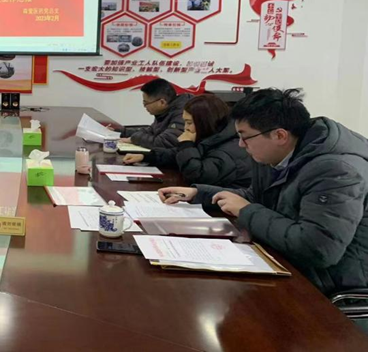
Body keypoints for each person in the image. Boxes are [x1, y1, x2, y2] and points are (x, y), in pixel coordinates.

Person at [158, 89, 368, 295]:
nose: (241, 145)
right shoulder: (277, 153)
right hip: (284, 258)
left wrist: (246, 211)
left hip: (329, 281)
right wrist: (198, 194)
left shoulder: (337, 171)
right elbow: (257, 197)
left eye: (245, 137)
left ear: (279, 135)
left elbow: (318, 250)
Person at [123, 94, 252, 189]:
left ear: (205, 122)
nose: (186, 128)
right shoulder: (211, 135)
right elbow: (176, 155)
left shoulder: (230, 148)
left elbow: (197, 176)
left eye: (189, 123)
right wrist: (147, 157)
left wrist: (186, 145)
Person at [116, 78, 193, 149]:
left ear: (162, 102)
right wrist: (123, 131)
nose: (144, 106)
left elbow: (164, 142)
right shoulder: (165, 112)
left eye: (146, 103)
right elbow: (150, 131)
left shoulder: (184, 112)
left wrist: (134, 139)